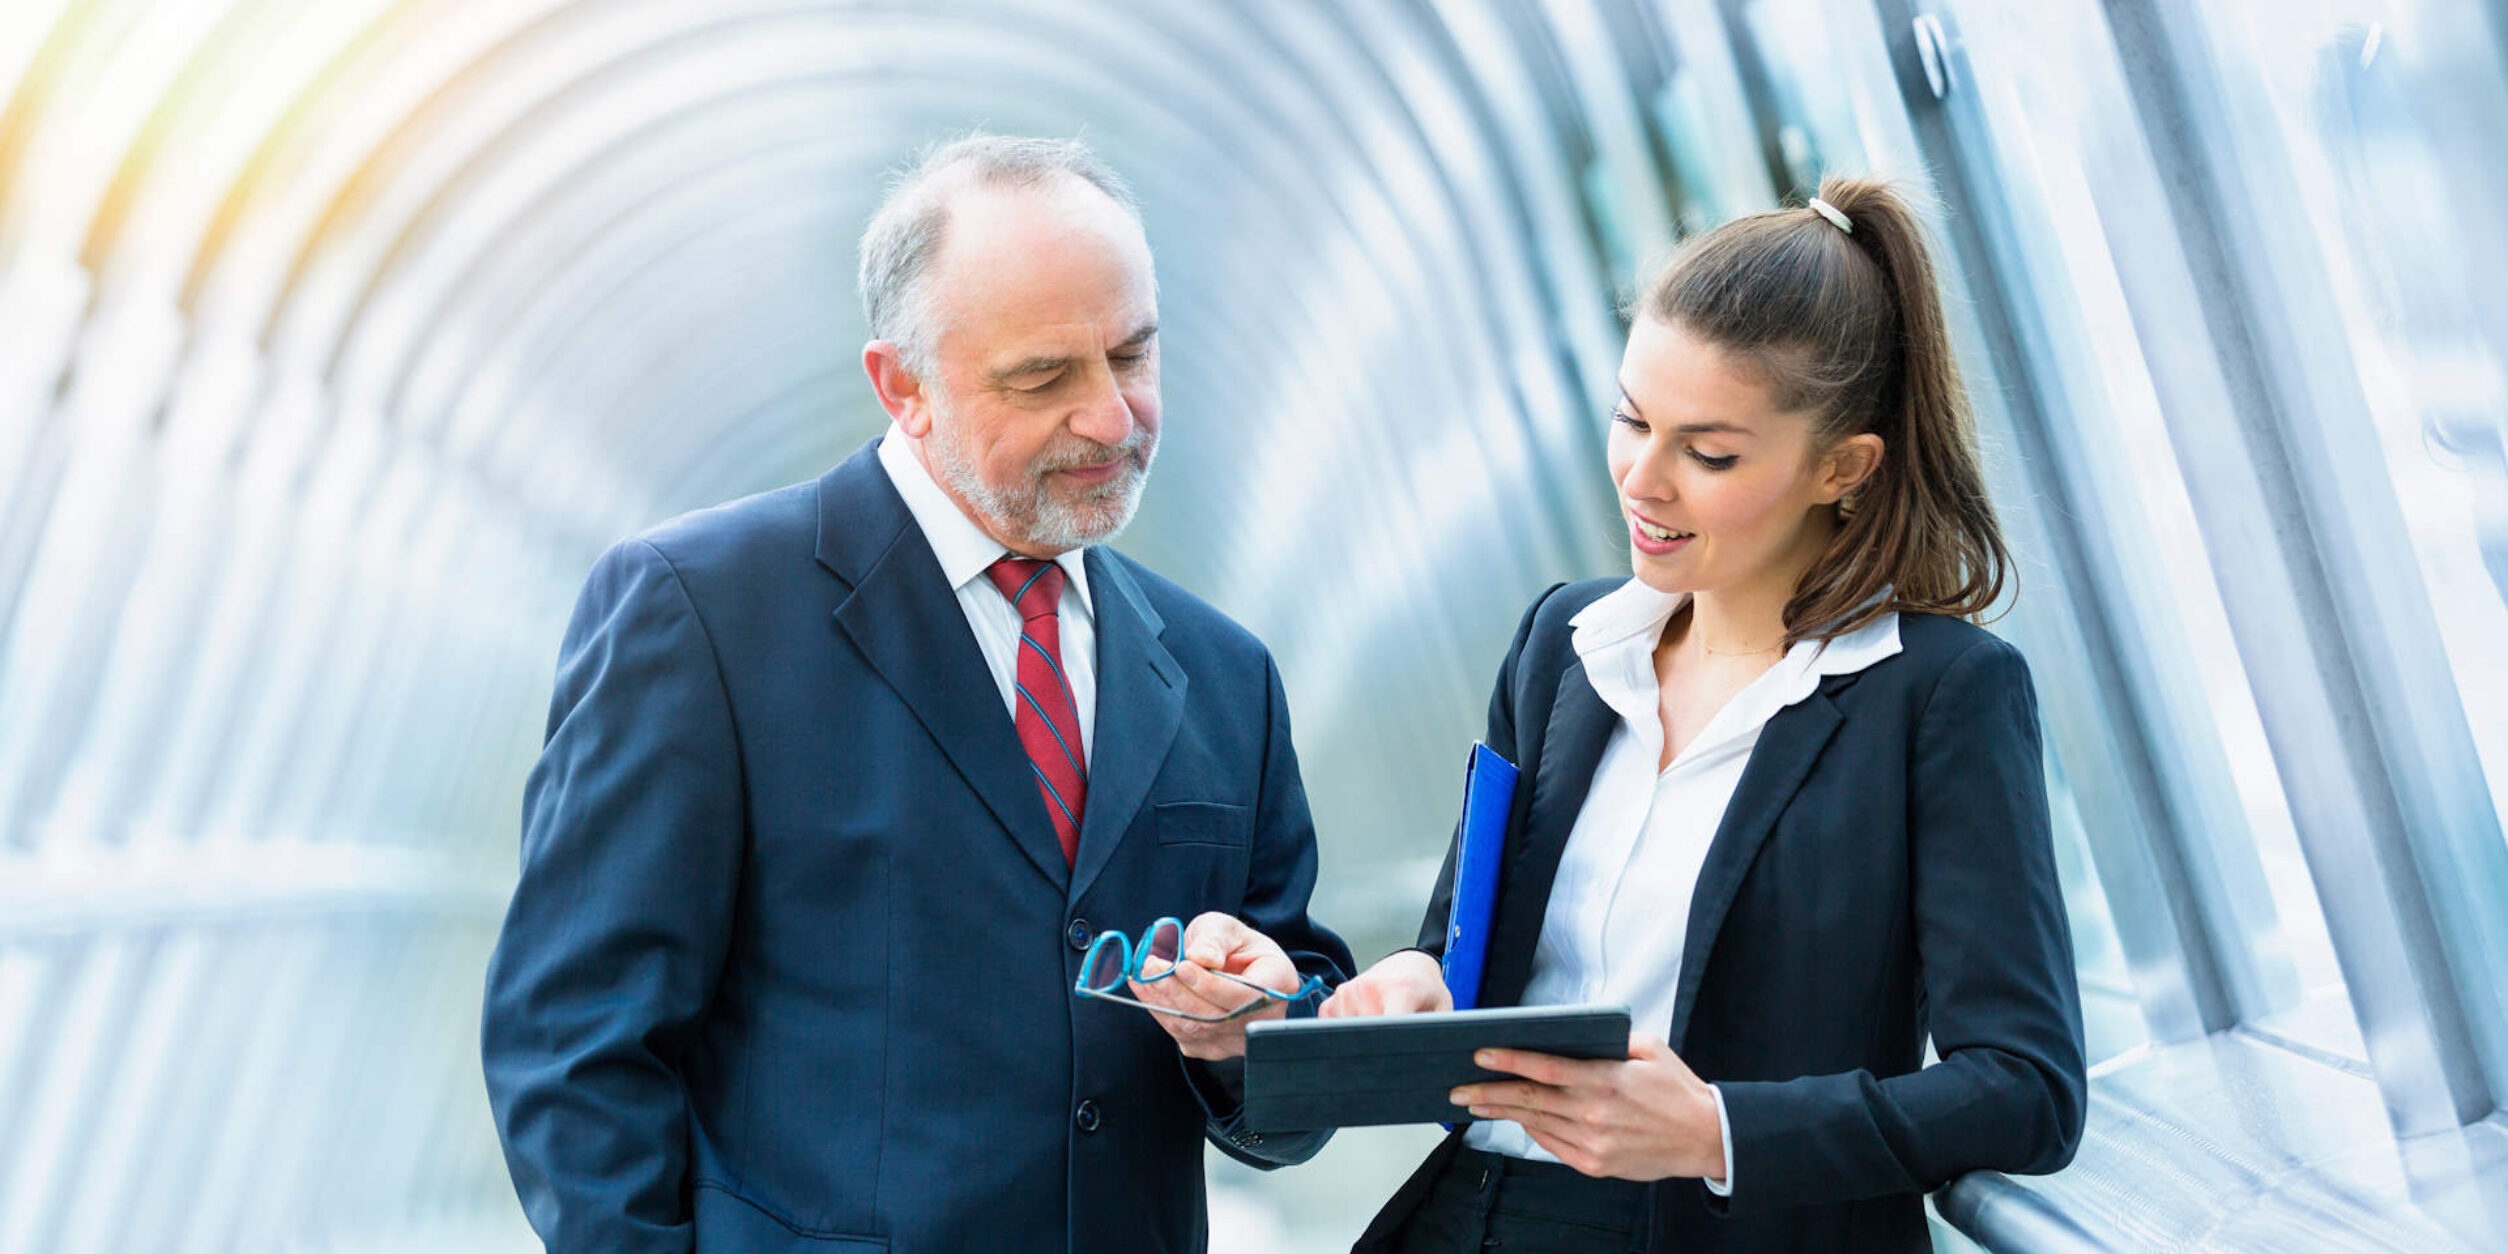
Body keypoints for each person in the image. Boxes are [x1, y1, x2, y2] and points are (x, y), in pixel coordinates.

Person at [479, 134, 1352, 1254]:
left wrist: (1260, 1034)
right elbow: (573, 1050)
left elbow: (1301, 1042)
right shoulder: (701, 615)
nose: (1111, 418)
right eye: (1044, 378)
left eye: (1132, 355)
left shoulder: (1226, 671)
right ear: (903, 387)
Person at [1325, 177, 2086, 1253]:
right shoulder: (1567, 644)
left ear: (1843, 468)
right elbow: (1462, 955)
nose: (1644, 478)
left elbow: (2026, 1088)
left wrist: (1717, 1132)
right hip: (1471, 1219)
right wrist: (1411, 987)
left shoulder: (1940, 695)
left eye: (1709, 452)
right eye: (1631, 419)